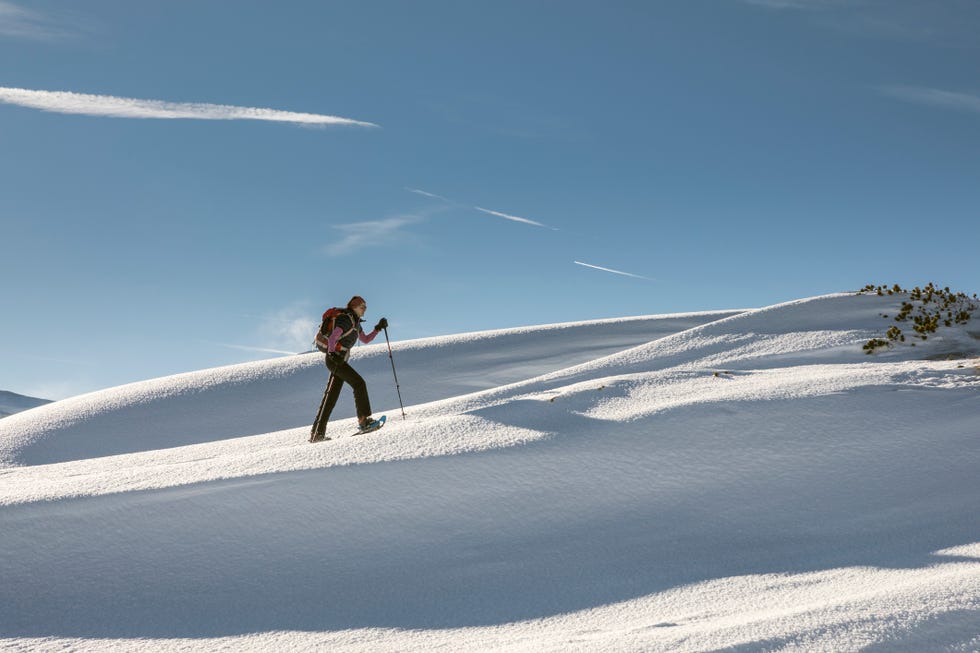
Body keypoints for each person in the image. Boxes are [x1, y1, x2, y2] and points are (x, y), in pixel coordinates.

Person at [310, 296, 388, 442]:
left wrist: (378, 328)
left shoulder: (356, 323)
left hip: (339, 360)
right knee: (359, 383)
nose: (365, 309)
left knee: (331, 397)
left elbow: (365, 340)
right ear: (354, 307)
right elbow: (333, 337)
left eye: (365, 307)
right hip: (335, 360)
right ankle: (364, 421)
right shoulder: (346, 319)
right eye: (362, 306)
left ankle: (317, 433)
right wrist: (333, 354)